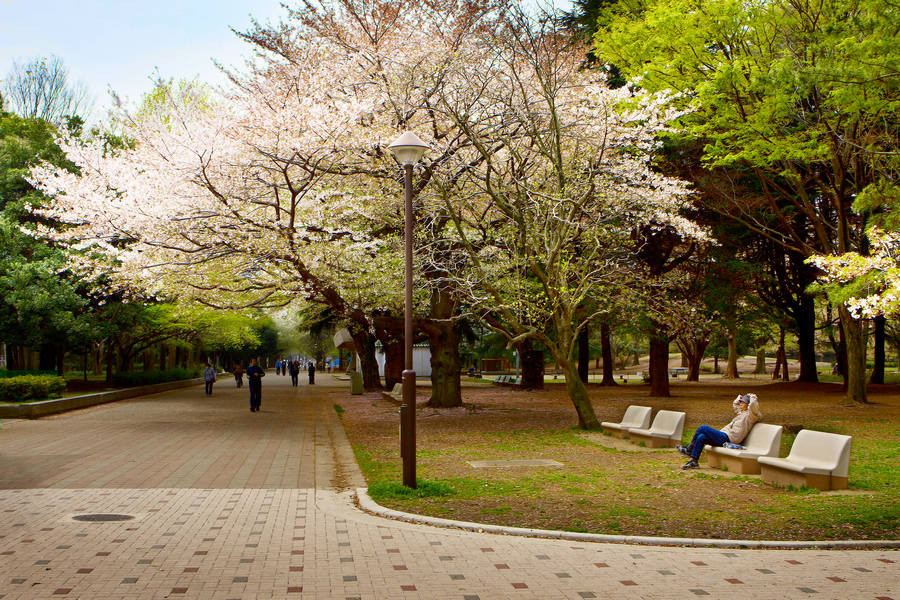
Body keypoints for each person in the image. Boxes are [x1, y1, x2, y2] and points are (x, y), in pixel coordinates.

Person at [677, 393, 762, 469]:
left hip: (729, 439)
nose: (740, 404)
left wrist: (752, 396)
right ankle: (694, 461)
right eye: (741, 402)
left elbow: (753, 405)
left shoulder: (751, 416)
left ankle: (689, 450)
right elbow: (735, 405)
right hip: (724, 436)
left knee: (703, 428)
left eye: (743, 402)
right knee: (701, 437)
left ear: (748, 404)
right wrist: (739, 397)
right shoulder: (742, 413)